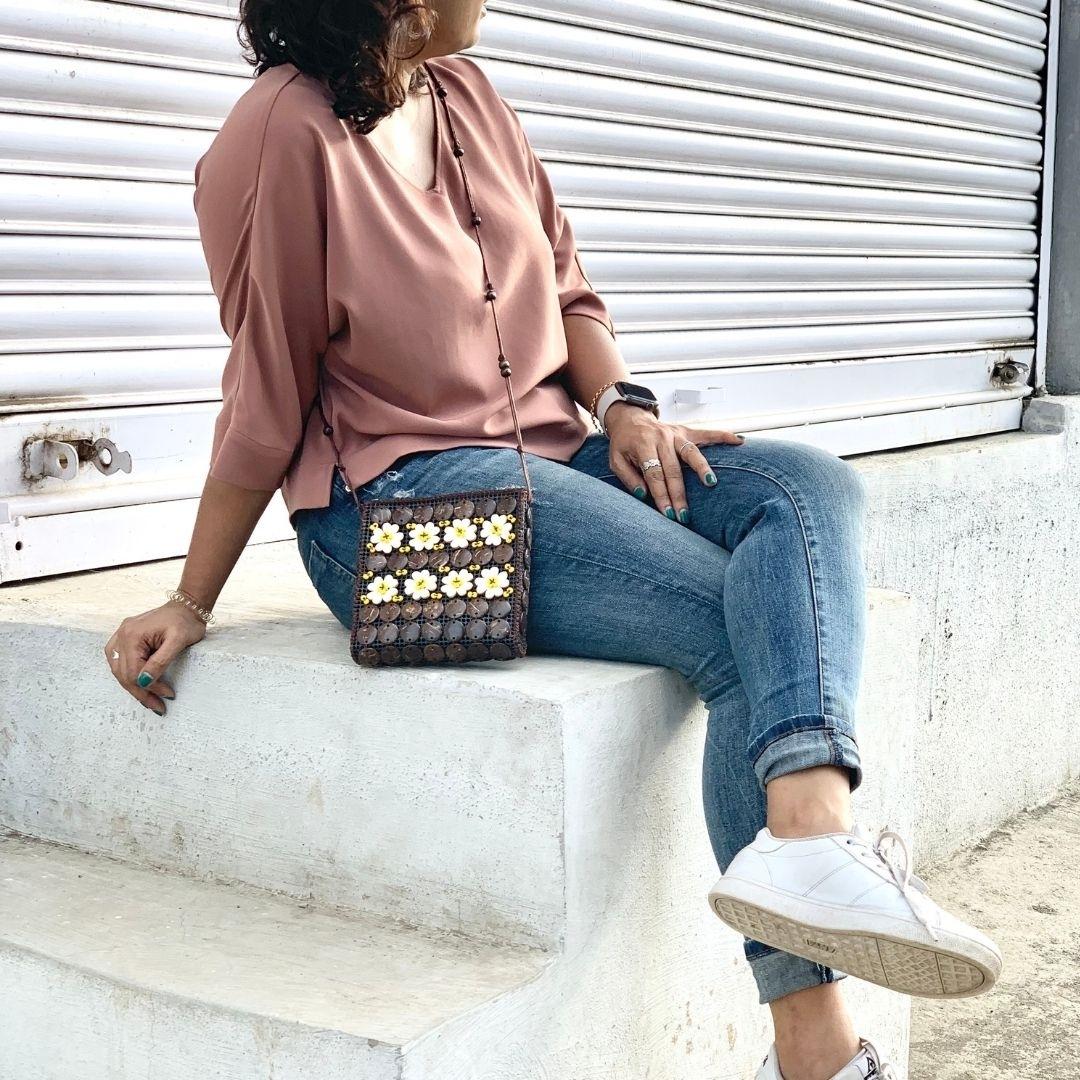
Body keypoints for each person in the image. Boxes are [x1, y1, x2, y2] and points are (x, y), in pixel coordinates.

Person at [103, 2, 1001, 1076]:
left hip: (552, 455)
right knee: (734, 617)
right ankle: (817, 1048)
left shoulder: (469, 96)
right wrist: (191, 599)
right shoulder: (281, 133)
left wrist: (622, 403)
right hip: (396, 512)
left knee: (803, 492)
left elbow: (569, 291)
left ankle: (809, 843)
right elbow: (264, 395)